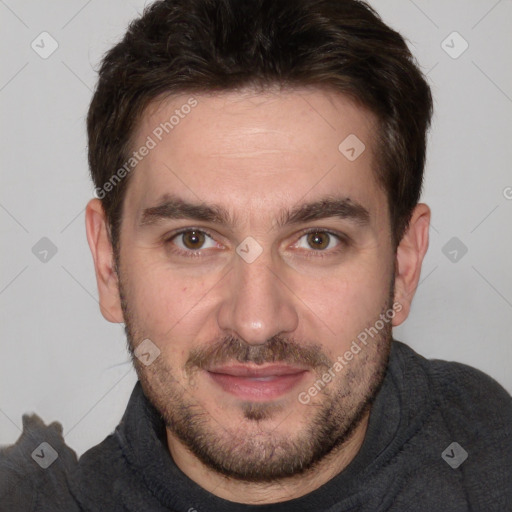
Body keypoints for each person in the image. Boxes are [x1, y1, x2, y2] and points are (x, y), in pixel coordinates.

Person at [1, 0, 511, 510]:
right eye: (194, 239)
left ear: (404, 265)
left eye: (318, 239)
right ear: (108, 265)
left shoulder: (491, 450)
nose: (256, 323)